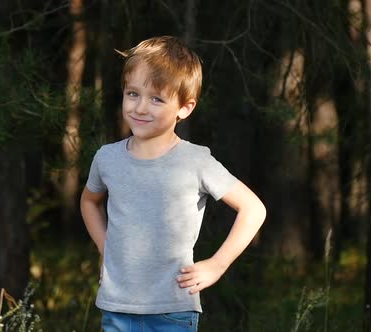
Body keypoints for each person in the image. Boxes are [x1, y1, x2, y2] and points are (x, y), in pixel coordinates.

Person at [80, 35, 266, 331]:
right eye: (133, 94)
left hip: (173, 312)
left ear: (185, 108)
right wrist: (107, 250)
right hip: (116, 309)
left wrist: (217, 265)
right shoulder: (107, 158)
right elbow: (89, 202)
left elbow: (253, 209)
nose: (140, 108)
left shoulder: (196, 161)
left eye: (157, 99)